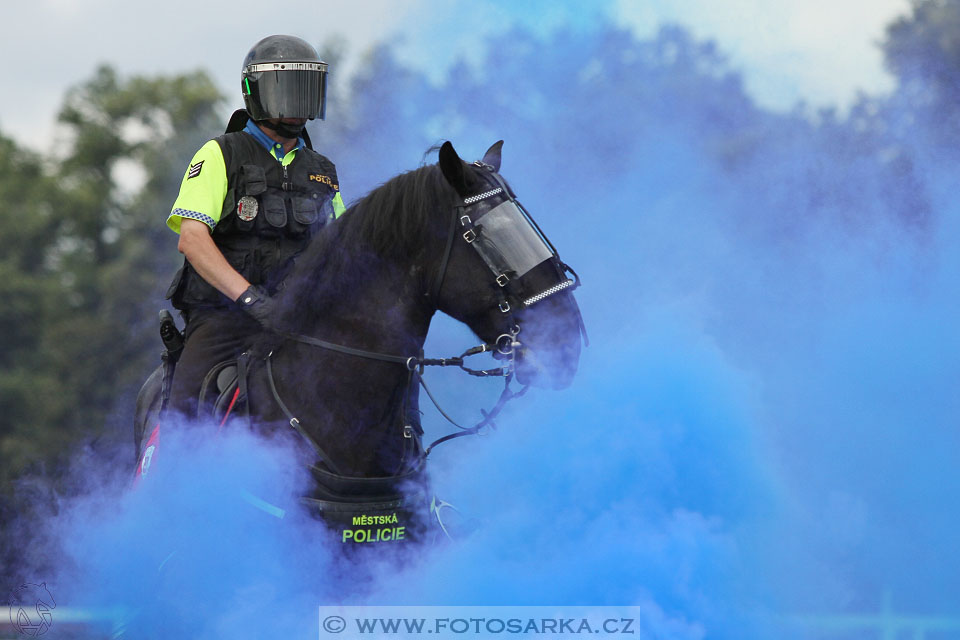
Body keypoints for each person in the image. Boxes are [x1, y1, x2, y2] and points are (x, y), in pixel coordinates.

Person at [164, 34, 346, 420]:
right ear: (255, 92)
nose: (298, 105)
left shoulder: (322, 170)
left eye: (305, 91)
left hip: (300, 319)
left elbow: (342, 250)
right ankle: (163, 473)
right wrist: (252, 300)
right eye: (287, 91)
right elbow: (192, 240)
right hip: (224, 317)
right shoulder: (220, 154)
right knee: (184, 413)